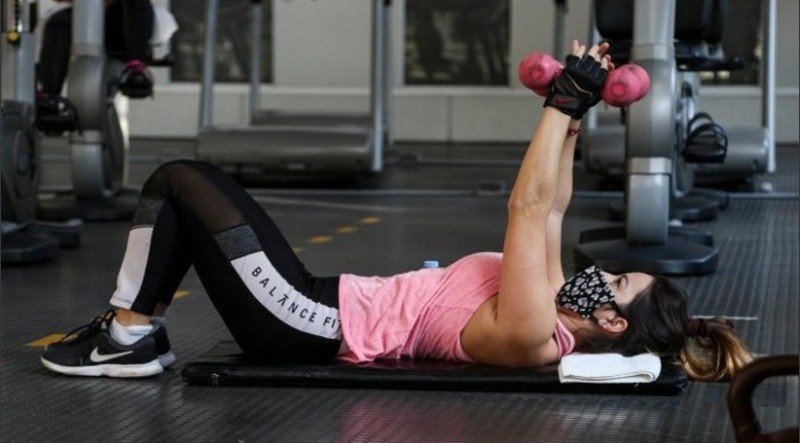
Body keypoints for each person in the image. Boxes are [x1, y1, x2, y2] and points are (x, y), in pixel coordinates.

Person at [41, 41, 752, 382]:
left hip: (307, 325)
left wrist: (563, 102)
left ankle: (128, 335)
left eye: (617, 284)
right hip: (315, 305)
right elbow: (553, 203)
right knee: (182, 187)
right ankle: (134, 331)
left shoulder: (537, 331)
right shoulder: (555, 296)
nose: (603, 274)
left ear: (610, 323)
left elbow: (524, 205)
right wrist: (576, 115)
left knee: (178, 178)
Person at [36, 0, 155, 129]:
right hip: (88, 13)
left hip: (121, 18)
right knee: (58, 23)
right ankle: (50, 96)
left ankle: (136, 67)